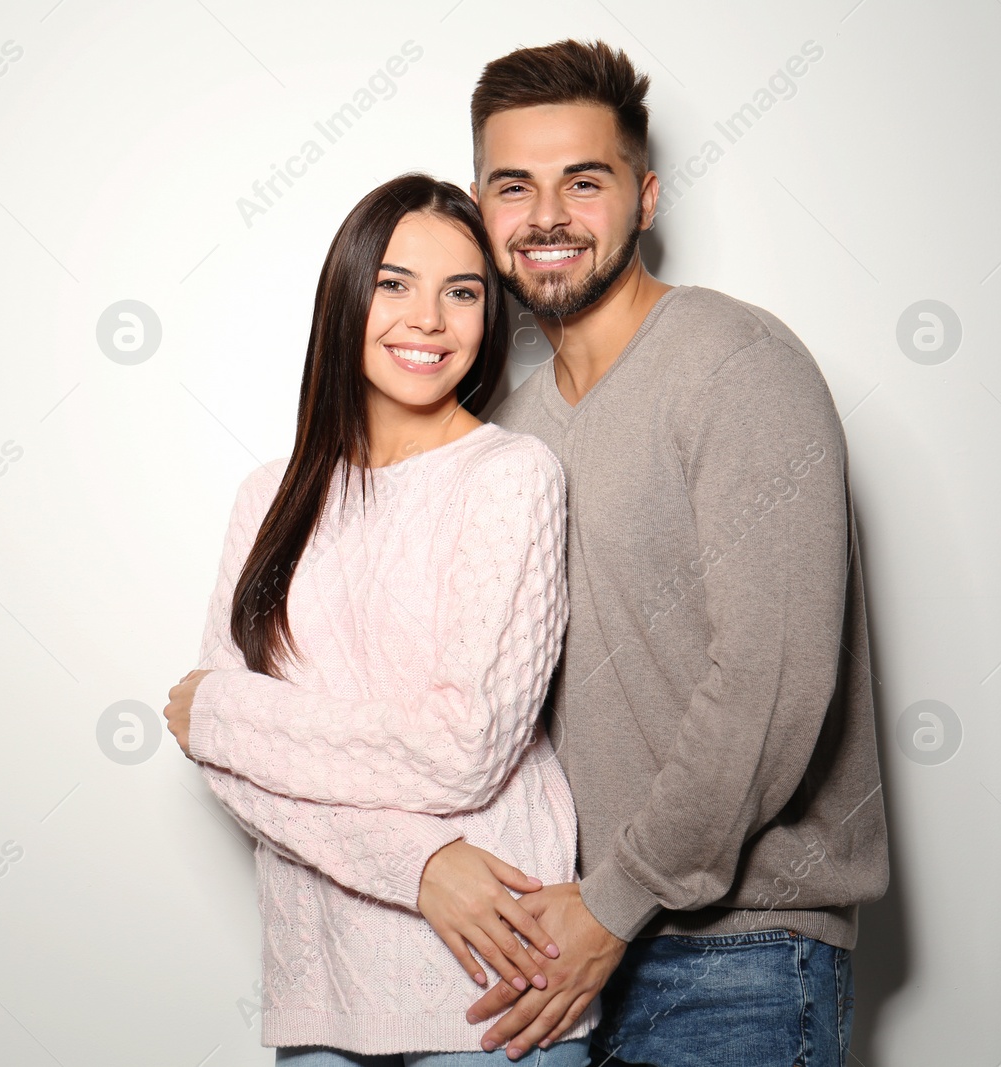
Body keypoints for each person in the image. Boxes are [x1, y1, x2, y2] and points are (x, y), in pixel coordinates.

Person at [443, 40, 890, 1065]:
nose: (546, 216)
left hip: (736, 959)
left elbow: (771, 683)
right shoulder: (508, 432)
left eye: (582, 182)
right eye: (514, 186)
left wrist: (617, 901)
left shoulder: (735, 365)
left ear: (644, 199)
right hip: (560, 952)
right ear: (480, 211)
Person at [162, 172, 598, 1065]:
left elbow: (462, 749)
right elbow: (231, 768)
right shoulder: (268, 498)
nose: (428, 319)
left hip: (496, 977)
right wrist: (423, 865)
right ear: (347, 293)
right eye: (395, 283)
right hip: (319, 988)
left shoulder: (512, 477)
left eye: (462, 292)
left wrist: (223, 711)